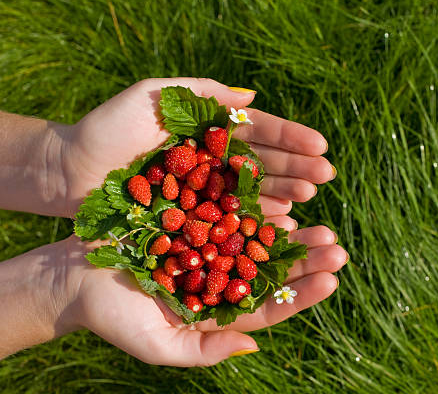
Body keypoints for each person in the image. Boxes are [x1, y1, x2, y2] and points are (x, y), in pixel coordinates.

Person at [0, 78, 347, 366]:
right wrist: (59, 162)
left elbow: (211, 231)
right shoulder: (193, 202)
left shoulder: (213, 233)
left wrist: (60, 287)